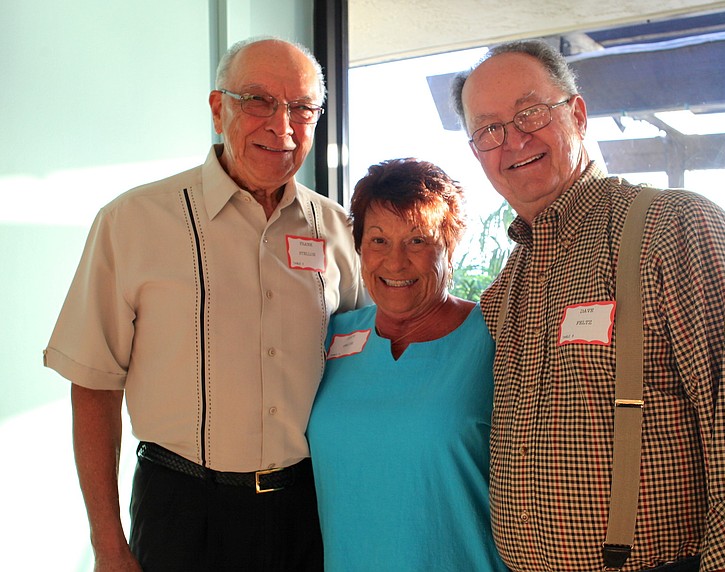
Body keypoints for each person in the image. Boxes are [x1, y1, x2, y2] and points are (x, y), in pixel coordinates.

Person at [450, 39, 725, 572]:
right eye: (489, 129)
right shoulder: (507, 289)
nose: (514, 139)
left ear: (577, 114)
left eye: (530, 112)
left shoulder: (674, 227)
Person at [43, 37, 367, 571]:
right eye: (259, 101)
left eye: (301, 108)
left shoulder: (337, 230)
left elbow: (359, 370)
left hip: (307, 510)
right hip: (181, 510)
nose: (282, 126)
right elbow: (94, 386)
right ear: (219, 110)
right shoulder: (132, 221)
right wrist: (108, 544)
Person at [306, 158, 509, 571]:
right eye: (379, 240)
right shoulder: (330, 336)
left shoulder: (496, 337)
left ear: (450, 248)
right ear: (360, 248)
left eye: (418, 240)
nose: (395, 262)